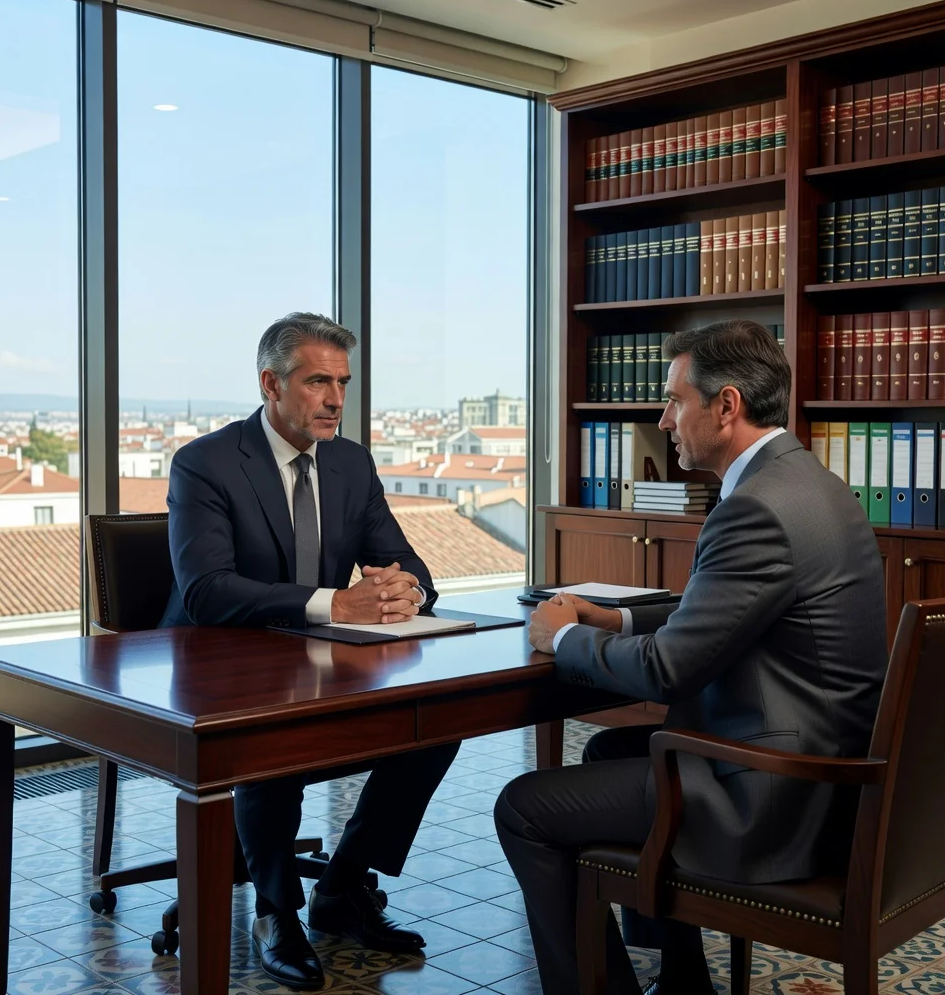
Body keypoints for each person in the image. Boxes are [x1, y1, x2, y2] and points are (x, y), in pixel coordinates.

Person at [494, 320, 888, 995]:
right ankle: (681, 979)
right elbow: (725, 609)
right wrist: (611, 616)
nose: (663, 417)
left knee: (523, 807)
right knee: (608, 753)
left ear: (726, 406)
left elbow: (665, 670)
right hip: (827, 767)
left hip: (775, 796)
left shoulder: (758, 507)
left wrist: (558, 636)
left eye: (675, 400)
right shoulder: (806, 482)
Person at [160, 312, 459, 991]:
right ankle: (276, 910)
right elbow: (207, 591)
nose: (334, 398)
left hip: (316, 660)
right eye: (317, 380)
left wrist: (401, 586)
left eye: (343, 382)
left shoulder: (350, 461)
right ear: (271, 382)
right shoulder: (206, 463)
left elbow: (408, 562)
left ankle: (343, 887)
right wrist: (335, 602)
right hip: (219, 662)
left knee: (439, 721)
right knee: (274, 739)